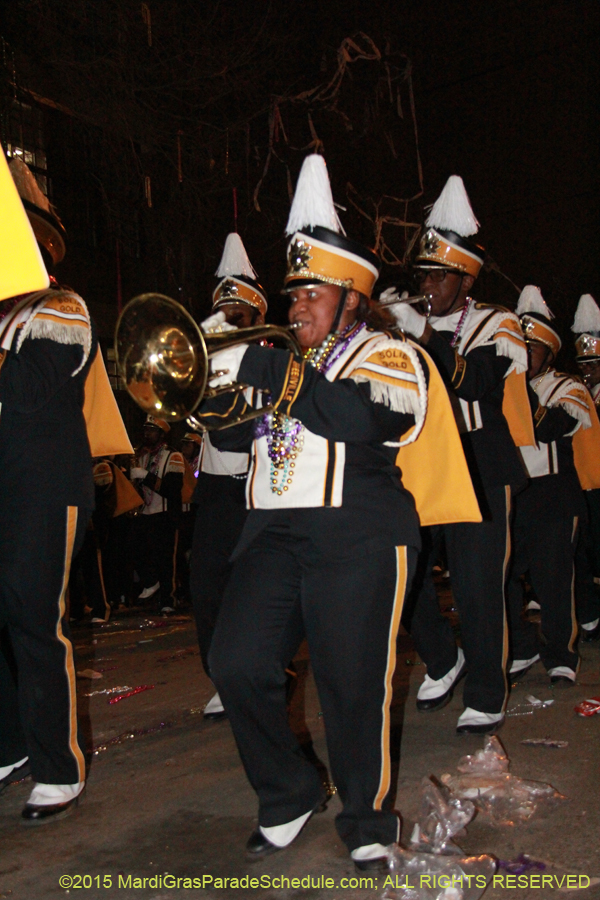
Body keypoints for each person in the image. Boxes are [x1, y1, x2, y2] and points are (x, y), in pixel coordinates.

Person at [198, 155, 478, 869]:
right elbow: (229, 439)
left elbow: (362, 418)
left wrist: (273, 374)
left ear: (352, 297)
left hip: (360, 535)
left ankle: (366, 819)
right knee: (235, 661)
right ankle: (288, 790)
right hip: (273, 535)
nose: (295, 306)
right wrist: (206, 396)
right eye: (292, 294)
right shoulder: (280, 359)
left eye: (311, 293)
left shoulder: (389, 354)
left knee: (352, 685)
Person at [0, 153, 132, 822]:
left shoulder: (62, 308)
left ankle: (60, 766)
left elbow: (24, 393)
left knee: (33, 618)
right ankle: (11, 745)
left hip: (46, 492)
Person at [391, 175, 534, 734]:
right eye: (423, 275)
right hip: (423, 460)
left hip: (481, 460)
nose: (426, 285)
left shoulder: (498, 323)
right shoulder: (411, 322)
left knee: (478, 584)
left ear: (466, 277)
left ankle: (487, 691)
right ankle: (443, 657)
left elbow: (474, 381)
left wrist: (422, 334)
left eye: (438, 275)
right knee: (403, 570)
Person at [189, 232, 268, 719]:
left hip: (261, 487)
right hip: (217, 491)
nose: (229, 322)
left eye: (238, 315)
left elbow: (246, 432)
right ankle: (222, 674)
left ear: (258, 318)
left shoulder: (272, 360)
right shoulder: (208, 362)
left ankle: (258, 669)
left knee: (255, 589)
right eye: (223, 314)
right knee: (206, 589)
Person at [506, 287, 600, 684]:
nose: (524, 355)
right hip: (514, 493)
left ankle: (562, 654)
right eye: (520, 347)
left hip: (555, 495)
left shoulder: (568, 388)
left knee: (554, 579)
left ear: (549, 353)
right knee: (502, 576)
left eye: (532, 350)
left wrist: (515, 381)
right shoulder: (504, 387)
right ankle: (523, 645)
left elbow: (548, 427)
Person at [130, 416, 184, 615]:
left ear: (162, 434)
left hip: (165, 514)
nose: (147, 434)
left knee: (166, 559)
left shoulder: (173, 456)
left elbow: (172, 489)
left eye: (152, 430)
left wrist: (145, 476)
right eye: (146, 430)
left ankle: (168, 599)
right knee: (137, 550)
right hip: (145, 512)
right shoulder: (142, 456)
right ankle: (151, 582)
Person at [571, 293, 600, 641]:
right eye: (584, 364)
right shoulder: (579, 394)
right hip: (587, 482)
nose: (587, 370)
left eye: (594, 364)